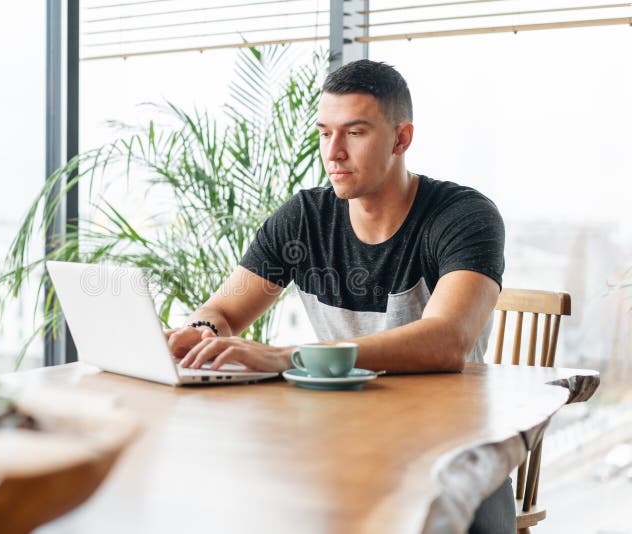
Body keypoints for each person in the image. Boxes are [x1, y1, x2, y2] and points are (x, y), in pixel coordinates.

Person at [166, 59, 513, 533]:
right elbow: (225, 309)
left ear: (400, 138)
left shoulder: (463, 217)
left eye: (355, 133)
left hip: (449, 445)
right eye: (325, 133)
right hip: (341, 436)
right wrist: (200, 332)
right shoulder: (304, 219)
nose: (334, 152)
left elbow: (446, 340)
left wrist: (288, 357)